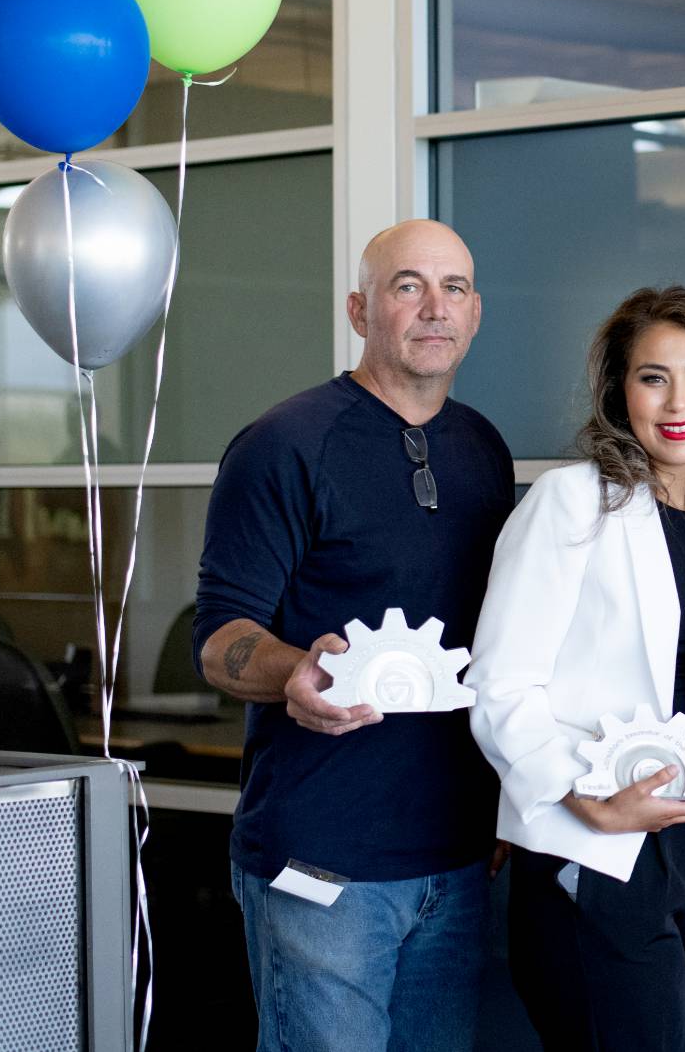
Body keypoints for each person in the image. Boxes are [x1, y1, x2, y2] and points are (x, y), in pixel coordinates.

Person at [193, 219, 515, 1052]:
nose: (434, 307)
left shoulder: (483, 449)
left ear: (476, 312)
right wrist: (293, 668)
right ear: (359, 309)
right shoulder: (284, 444)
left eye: (454, 288)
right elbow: (220, 636)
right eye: (408, 285)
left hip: (455, 860)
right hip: (323, 865)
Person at [466, 286, 685, 1052]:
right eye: (652, 376)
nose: (680, 400)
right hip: (598, 843)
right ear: (617, 391)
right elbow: (500, 685)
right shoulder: (570, 502)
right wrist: (580, 797)